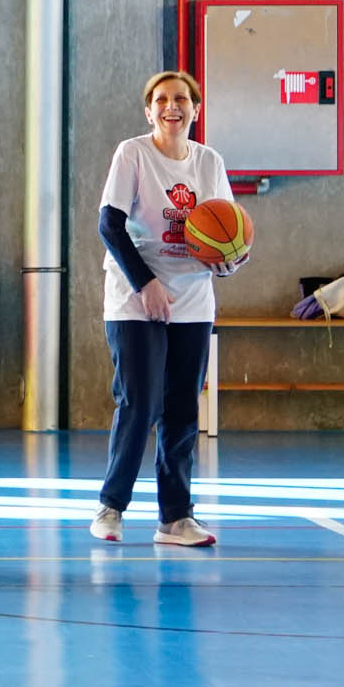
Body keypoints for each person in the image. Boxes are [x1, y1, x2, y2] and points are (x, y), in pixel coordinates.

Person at [91, 70, 240, 548]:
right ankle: (111, 507)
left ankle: (175, 518)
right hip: (135, 297)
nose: (171, 106)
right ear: (148, 110)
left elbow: (226, 229)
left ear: (196, 108)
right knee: (139, 401)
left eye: (181, 99)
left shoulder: (209, 161)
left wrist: (230, 260)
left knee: (181, 408)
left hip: (193, 298)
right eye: (161, 99)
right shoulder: (132, 153)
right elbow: (110, 225)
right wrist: (146, 283)